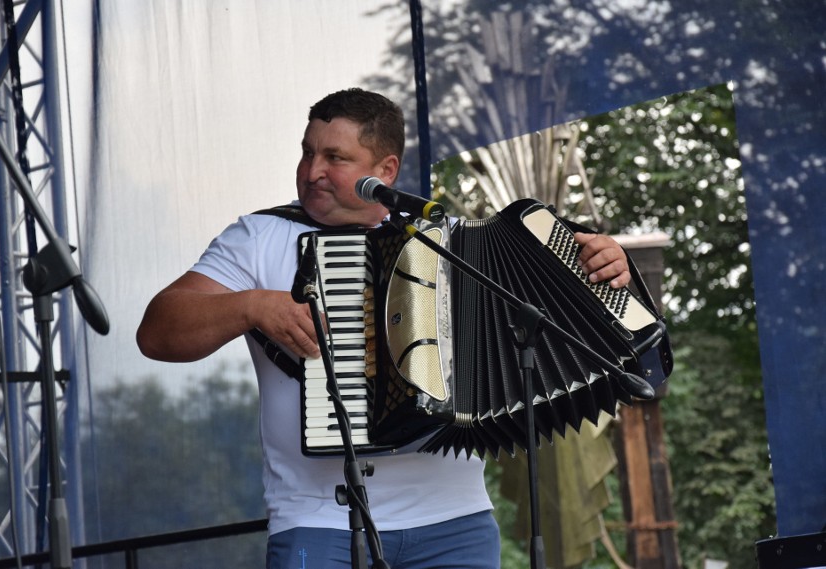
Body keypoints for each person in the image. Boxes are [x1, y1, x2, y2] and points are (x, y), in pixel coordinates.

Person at [136, 87, 632, 569]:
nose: (313, 172)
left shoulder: (453, 247)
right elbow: (158, 331)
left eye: (336, 158)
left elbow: (569, 315)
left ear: (386, 170)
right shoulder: (258, 237)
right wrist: (251, 306)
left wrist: (605, 267)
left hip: (455, 520)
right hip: (316, 519)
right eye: (307, 152)